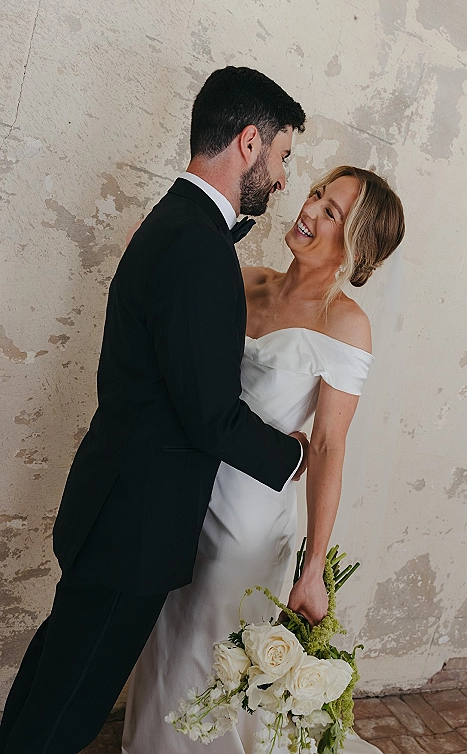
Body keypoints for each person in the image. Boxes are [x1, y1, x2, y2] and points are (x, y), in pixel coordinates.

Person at [0, 66, 310, 754]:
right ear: (250, 143)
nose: (285, 179)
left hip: (112, 506)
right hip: (131, 528)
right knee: (66, 712)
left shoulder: (174, 220)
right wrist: (291, 454)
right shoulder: (198, 246)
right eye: (284, 157)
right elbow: (208, 414)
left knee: (53, 683)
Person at [121, 164, 405, 754]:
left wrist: (313, 566)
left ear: (355, 246)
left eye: (332, 212)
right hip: (184, 491)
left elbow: (327, 447)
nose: (309, 210)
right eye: (315, 195)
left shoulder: (347, 326)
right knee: (166, 637)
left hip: (250, 518)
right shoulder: (244, 279)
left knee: (214, 651)